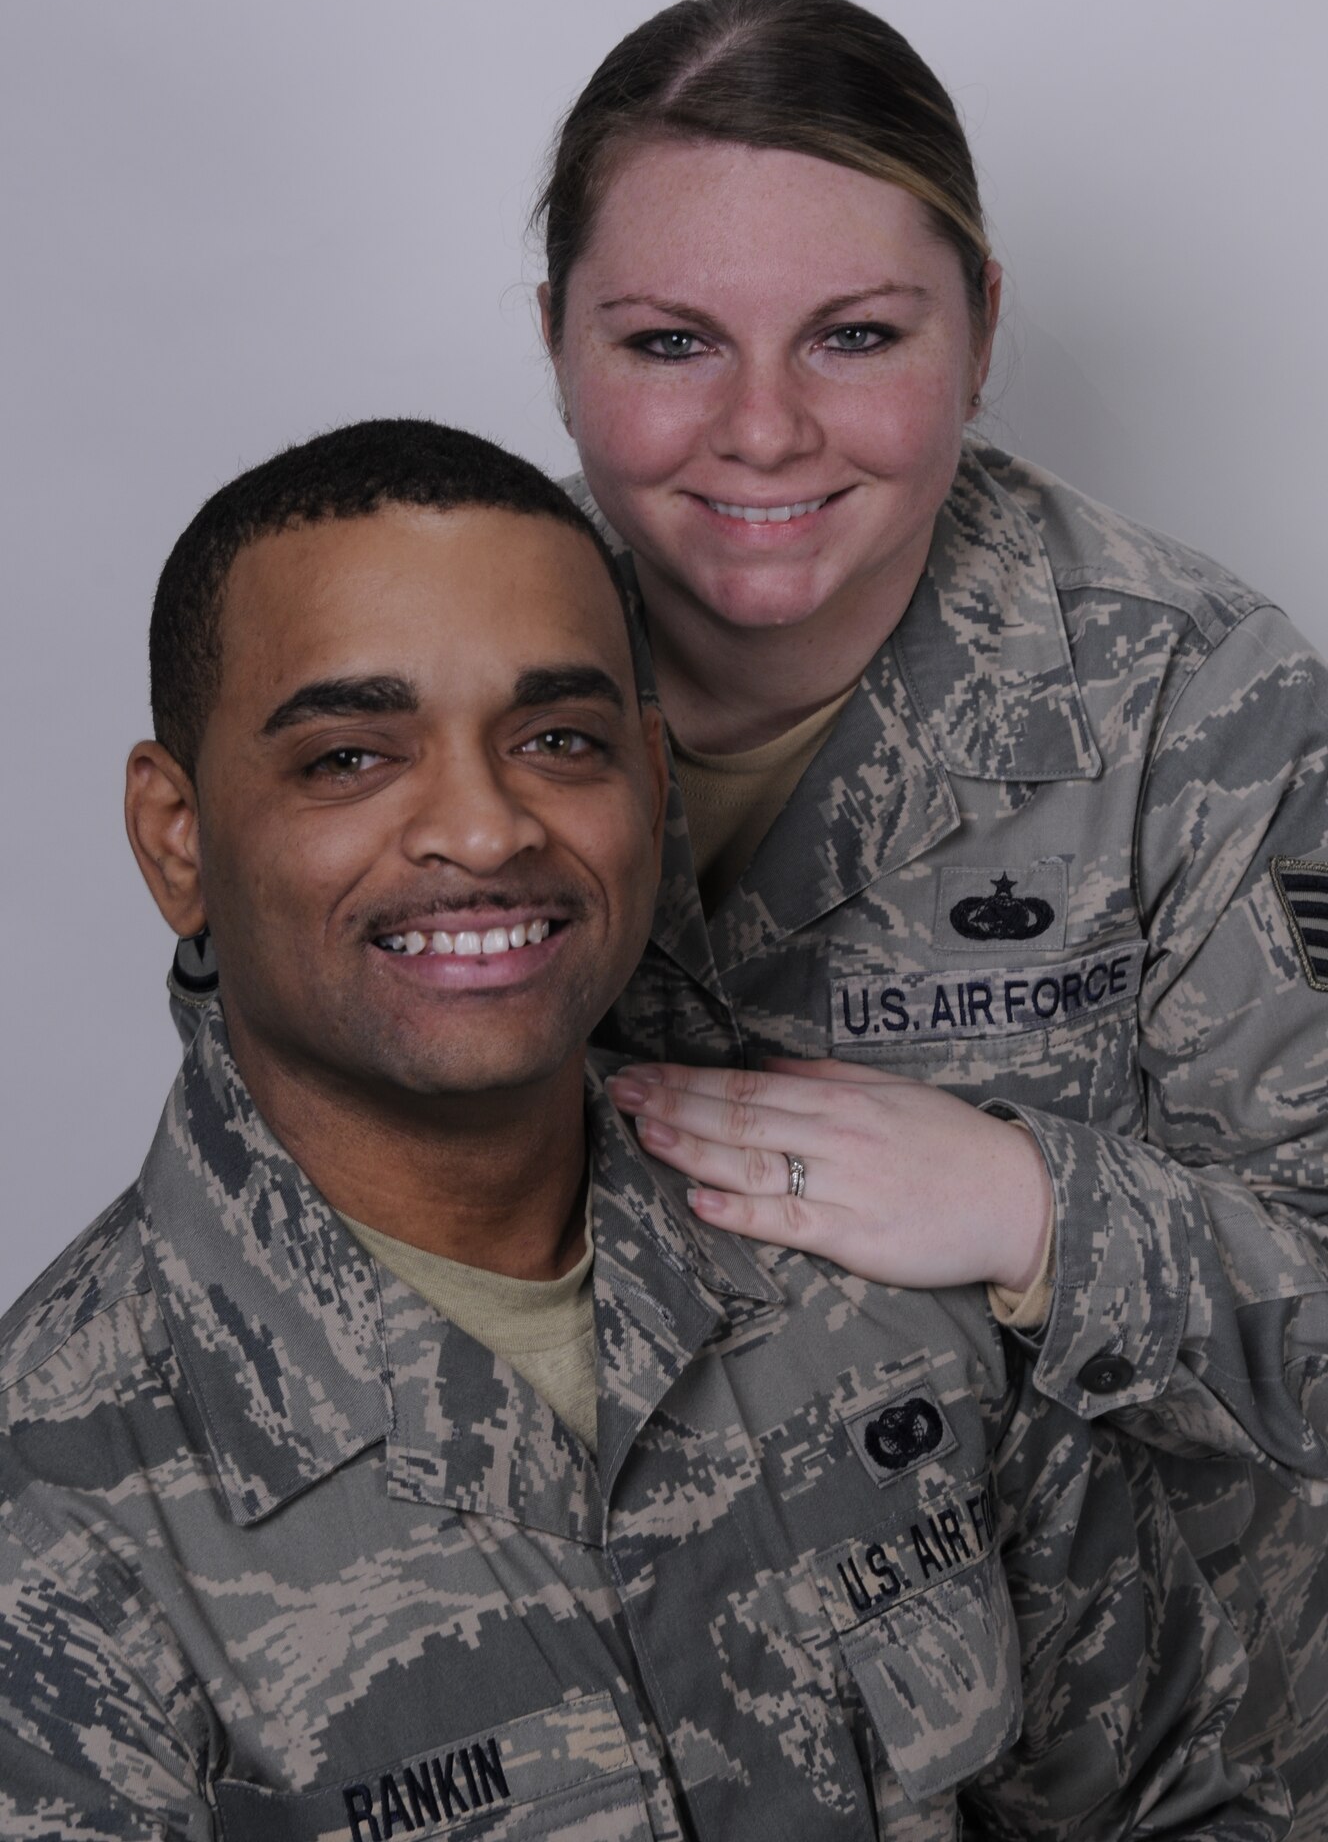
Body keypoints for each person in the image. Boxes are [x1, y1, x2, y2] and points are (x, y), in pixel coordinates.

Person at [0, 419, 1289, 1838]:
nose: (485, 830)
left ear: (651, 784)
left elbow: (1173, 1793)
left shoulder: (869, 1266)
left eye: (559, 739)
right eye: (353, 758)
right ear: (178, 836)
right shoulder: (53, 1526)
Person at [522, 0, 1328, 1825]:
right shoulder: (441, 659)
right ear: (557, 341)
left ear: (978, 336)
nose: (763, 432)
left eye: (856, 334)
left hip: (1147, 1772)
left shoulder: (1192, 703)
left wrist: (1026, 1208)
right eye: (666, 343)